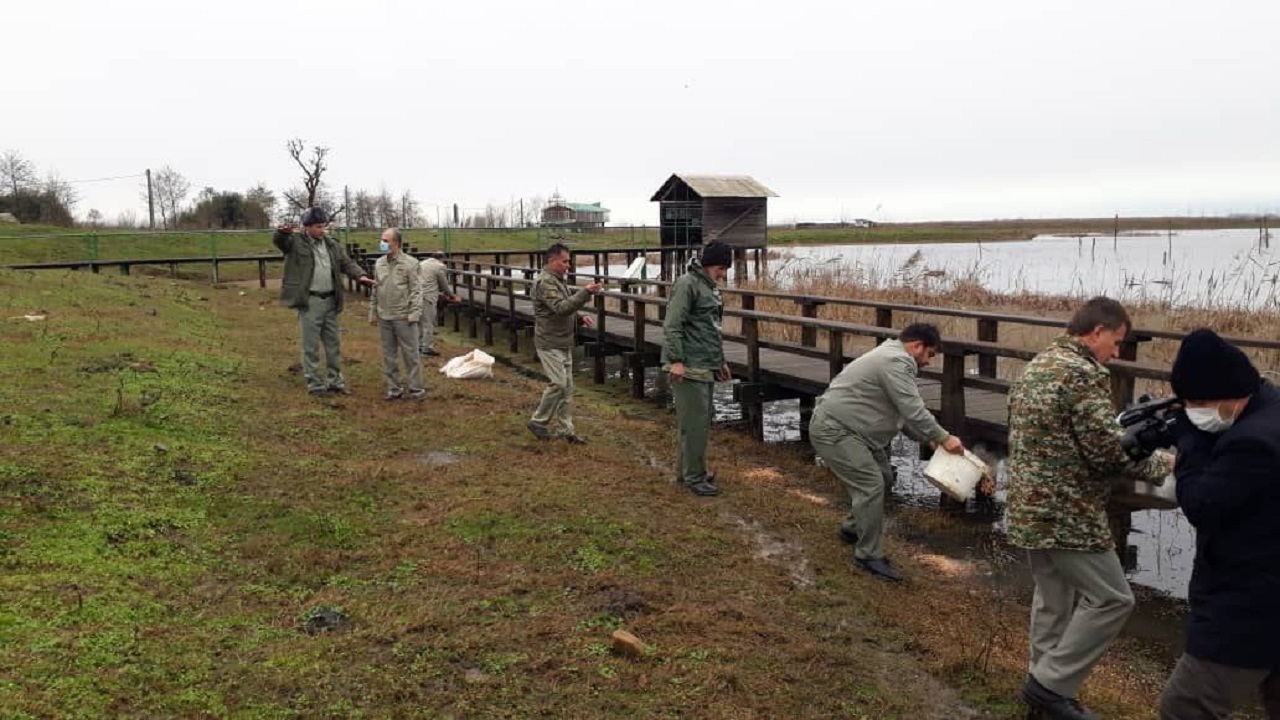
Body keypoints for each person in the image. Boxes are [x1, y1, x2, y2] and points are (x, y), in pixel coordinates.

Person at [1006, 296, 1170, 720]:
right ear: (1097, 331)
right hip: (1067, 513)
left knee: (1054, 600)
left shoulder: (1038, 365)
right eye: (1116, 342)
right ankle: (1049, 687)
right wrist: (1164, 465)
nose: (1116, 353)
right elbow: (1107, 453)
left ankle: (1044, 694)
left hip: (1027, 506)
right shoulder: (1081, 373)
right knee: (1114, 599)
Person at [1158, 329, 1279, 720]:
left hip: (1250, 604)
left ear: (1230, 396)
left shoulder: (1255, 442)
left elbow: (1201, 503)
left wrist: (1189, 442)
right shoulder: (1267, 406)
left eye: (1199, 403)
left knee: (1187, 707)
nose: (1194, 411)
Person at [809, 323, 964, 582]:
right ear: (917, 346)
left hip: (855, 431)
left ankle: (853, 528)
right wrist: (944, 438)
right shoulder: (895, 361)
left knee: (885, 477)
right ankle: (868, 555)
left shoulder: (891, 357)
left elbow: (902, 415)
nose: (928, 362)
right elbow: (914, 409)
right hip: (835, 430)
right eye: (930, 354)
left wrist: (928, 440)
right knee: (871, 485)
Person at [273, 207, 374, 396]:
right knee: (310, 345)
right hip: (310, 301)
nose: (322, 230)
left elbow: (346, 263)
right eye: (318, 227)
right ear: (308, 227)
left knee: (333, 344)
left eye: (324, 226)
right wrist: (281, 232)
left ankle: (335, 381)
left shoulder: (332, 244)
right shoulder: (294, 242)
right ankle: (315, 383)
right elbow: (280, 242)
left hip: (331, 300)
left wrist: (361, 276)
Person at [662, 241, 733, 497]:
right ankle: (695, 477)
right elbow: (672, 325)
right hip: (689, 367)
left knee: (694, 423)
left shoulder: (709, 288)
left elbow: (711, 329)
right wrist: (677, 361)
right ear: (709, 264)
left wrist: (720, 361)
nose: (723, 274)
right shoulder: (687, 284)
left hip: (705, 365)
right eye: (721, 268)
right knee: (696, 425)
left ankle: (688, 471)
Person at [526, 243, 602, 443]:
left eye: (569, 261)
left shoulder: (558, 281)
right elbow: (560, 307)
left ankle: (566, 431)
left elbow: (564, 306)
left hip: (563, 341)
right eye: (565, 261)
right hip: (549, 342)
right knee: (558, 384)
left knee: (567, 389)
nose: (568, 265)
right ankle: (538, 421)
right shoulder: (545, 282)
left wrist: (579, 317)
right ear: (552, 261)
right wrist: (585, 293)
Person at [368, 228, 424, 401]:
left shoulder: (411, 263)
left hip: (404, 317)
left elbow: (416, 291)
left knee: (411, 355)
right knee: (389, 355)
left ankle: (416, 389)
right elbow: (375, 289)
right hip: (385, 316)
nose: (382, 243)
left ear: (396, 243)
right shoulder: (379, 264)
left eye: (386, 240)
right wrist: (373, 312)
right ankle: (394, 389)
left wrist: (414, 313)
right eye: (382, 240)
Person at [416, 251, 456, 357]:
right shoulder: (440, 266)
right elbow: (444, 285)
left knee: (419, 321)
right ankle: (427, 348)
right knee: (428, 322)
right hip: (428, 296)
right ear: (442, 258)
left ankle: (419, 345)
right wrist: (452, 296)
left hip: (416, 295)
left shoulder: (422, 263)